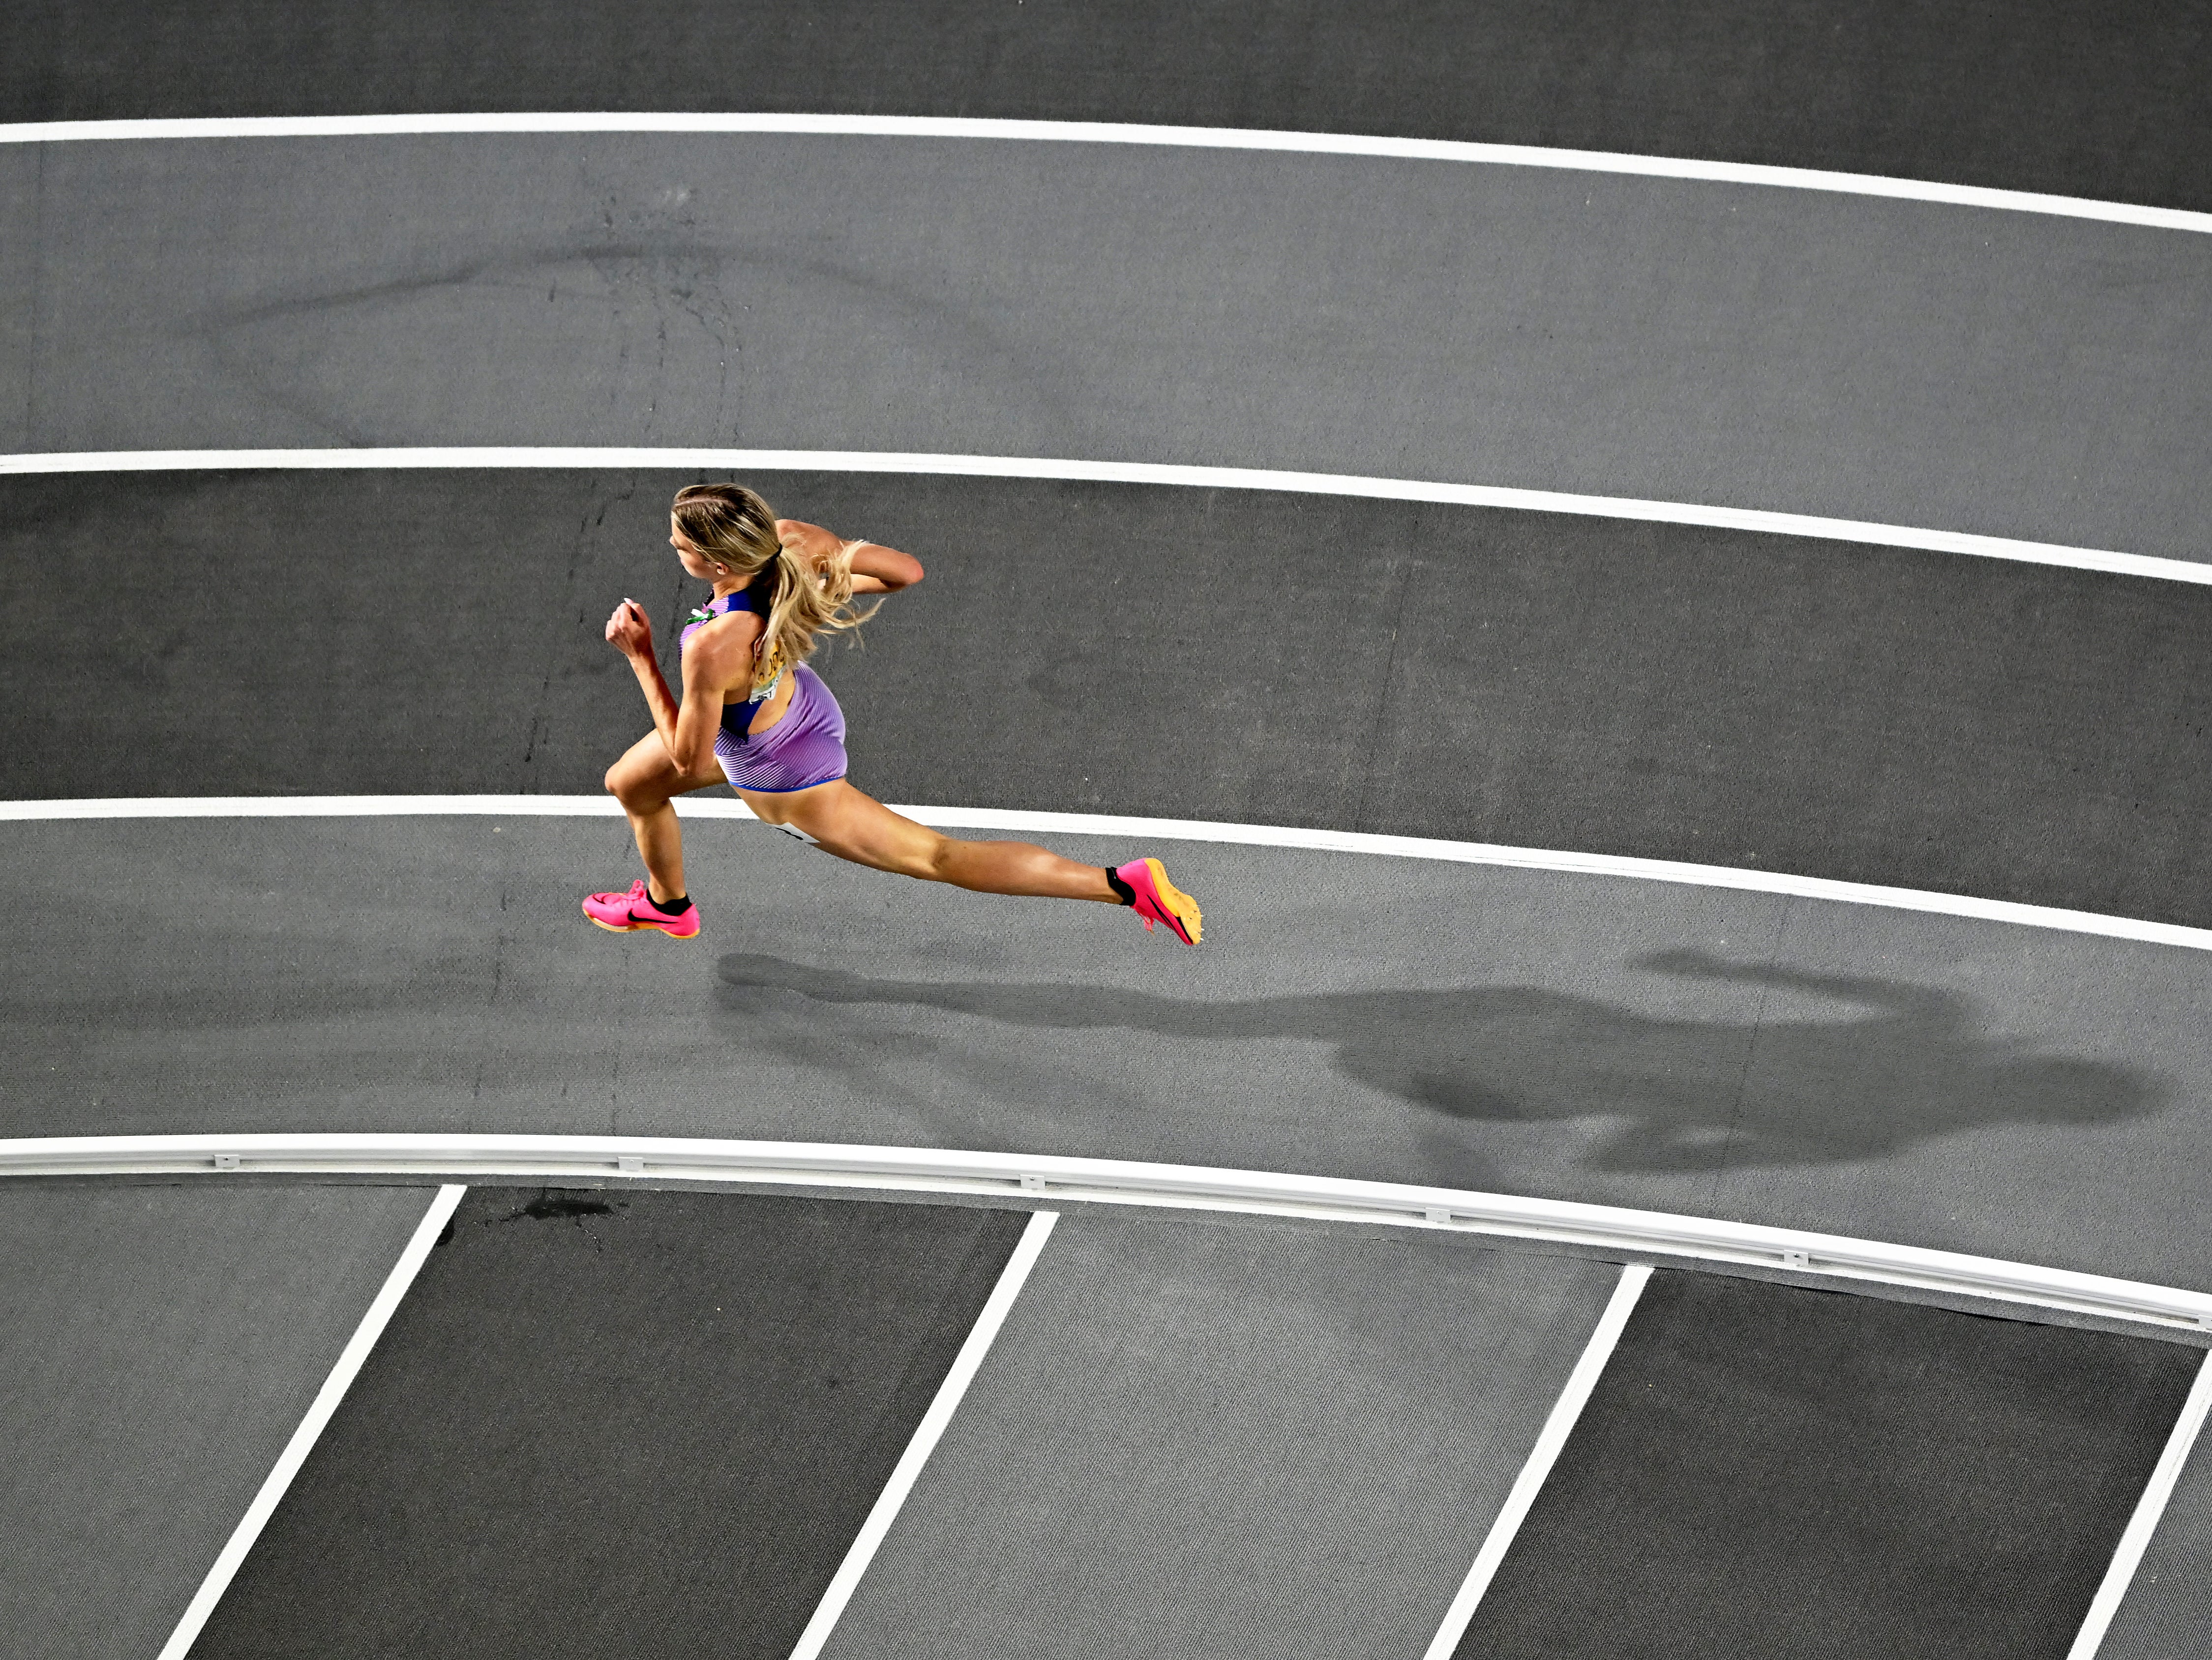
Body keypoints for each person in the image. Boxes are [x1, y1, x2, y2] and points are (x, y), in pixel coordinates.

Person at [584, 482, 1202, 944]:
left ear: (718, 564)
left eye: (680, 546)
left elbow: (689, 754)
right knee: (629, 783)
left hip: (783, 772)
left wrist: (639, 656)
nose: (673, 549)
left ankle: (1121, 884)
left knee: (937, 858)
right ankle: (669, 905)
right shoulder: (790, 548)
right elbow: (905, 572)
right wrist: (836, 555)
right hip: (798, 707)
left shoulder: (712, 646)